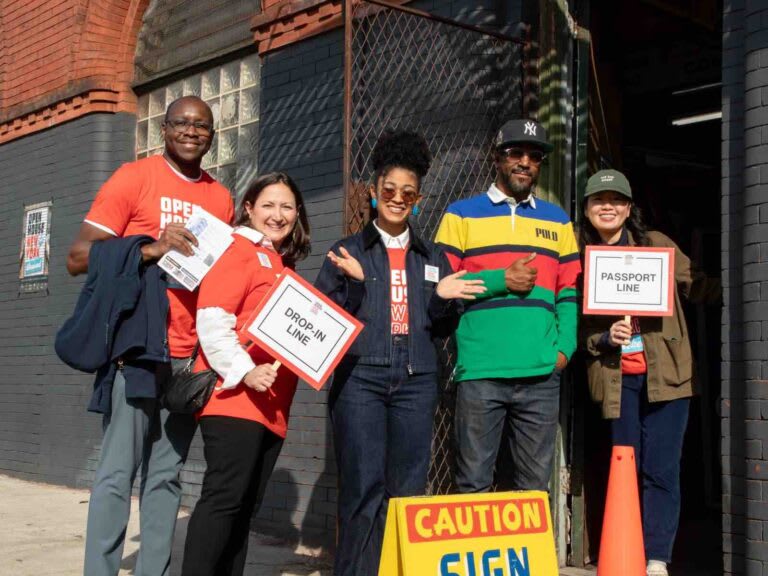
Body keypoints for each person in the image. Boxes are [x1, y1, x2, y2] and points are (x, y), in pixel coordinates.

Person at [65, 96, 234, 576]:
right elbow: (78, 257)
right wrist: (149, 248)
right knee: (117, 476)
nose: (191, 131)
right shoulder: (134, 178)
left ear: (211, 135)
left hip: (187, 357)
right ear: (163, 128)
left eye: (201, 125)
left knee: (166, 477)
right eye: (181, 122)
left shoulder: (220, 197)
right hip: (137, 352)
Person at [314, 129, 485, 575]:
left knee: (408, 491)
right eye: (389, 190)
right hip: (359, 381)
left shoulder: (433, 258)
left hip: (416, 382)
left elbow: (442, 327)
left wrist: (443, 297)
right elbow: (320, 324)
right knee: (362, 489)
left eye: (407, 194)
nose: (397, 199)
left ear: (418, 201)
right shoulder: (345, 251)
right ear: (373, 193)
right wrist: (353, 285)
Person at [434, 118, 581, 493]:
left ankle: (530, 555)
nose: (525, 162)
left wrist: (564, 349)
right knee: (473, 484)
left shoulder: (559, 220)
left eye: (534, 156)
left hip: (540, 374)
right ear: (497, 158)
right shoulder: (460, 215)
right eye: (516, 153)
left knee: (534, 488)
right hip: (481, 372)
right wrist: (503, 279)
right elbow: (438, 286)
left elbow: (568, 292)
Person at [579, 169, 713, 576]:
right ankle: (625, 548)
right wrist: (604, 337)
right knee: (624, 467)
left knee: (661, 469)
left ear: (628, 207)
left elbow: (697, 285)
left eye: (616, 200)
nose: (608, 207)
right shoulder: (581, 258)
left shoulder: (657, 246)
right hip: (618, 381)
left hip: (669, 377)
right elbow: (577, 329)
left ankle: (657, 558)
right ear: (586, 210)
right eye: (599, 200)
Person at [180, 172, 311, 576]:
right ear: (249, 208)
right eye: (268, 205)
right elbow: (212, 321)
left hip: (271, 407)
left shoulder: (277, 261)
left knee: (241, 511)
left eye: (287, 206)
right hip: (235, 399)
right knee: (224, 502)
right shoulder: (237, 249)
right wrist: (246, 371)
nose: (278, 214)